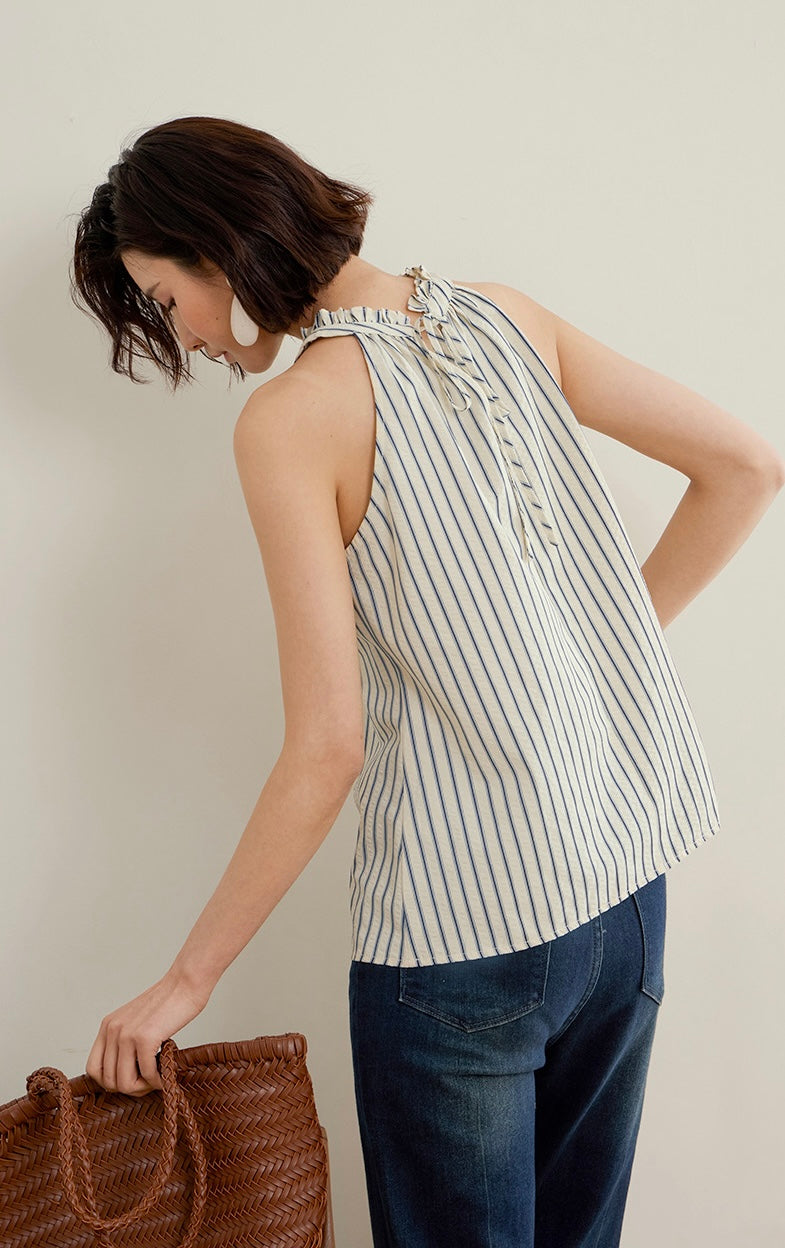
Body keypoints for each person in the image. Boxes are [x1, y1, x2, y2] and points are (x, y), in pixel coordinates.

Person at [71, 115, 784, 1247]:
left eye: (165, 302)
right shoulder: (506, 314)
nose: (190, 341)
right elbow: (745, 467)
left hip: (460, 941)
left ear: (216, 248)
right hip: (626, 894)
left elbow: (328, 745)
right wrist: (594, 659)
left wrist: (185, 983)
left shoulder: (292, 419)